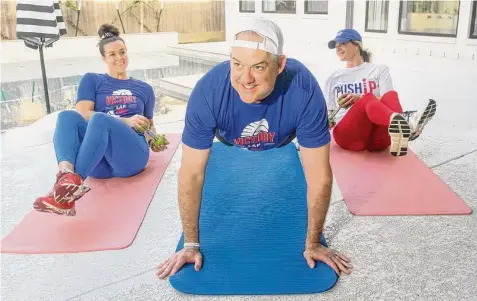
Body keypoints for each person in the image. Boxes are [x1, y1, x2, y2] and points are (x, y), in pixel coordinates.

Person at [155, 18, 352, 279]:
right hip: (229, 138)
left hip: (282, 137)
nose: (245, 78)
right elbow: (191, 174)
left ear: (280, 64)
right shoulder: (208, 93)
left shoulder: (304, 89)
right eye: (237, 64)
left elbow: (319, 175)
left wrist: (314, 243)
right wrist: (191, 244)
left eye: (258, 67)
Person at [33, 24, 167, 217]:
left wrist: (153, 139)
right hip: (98, 162)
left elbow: (149, 125)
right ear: (104, 58)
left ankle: (69, 190)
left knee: (100, 118)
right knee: (66, 116)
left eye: (122, 52)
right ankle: (66, 177)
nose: (119, 58)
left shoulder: (144, 88)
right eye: (112, 54)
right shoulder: (93, 80)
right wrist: (126, 120)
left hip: (131, 157)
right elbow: (82, 112)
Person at [324, 29, 436, 156]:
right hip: (348, 137)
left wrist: (361, 98)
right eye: (336, 46)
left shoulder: (379, 70)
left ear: (356, 45)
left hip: (378, 140)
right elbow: (329, 119)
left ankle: (401, 131)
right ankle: (408, 124)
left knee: (390, 95)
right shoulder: (333, 78)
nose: (337, 48)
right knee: (367, 98)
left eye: (342, 44)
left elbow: (389, 101)